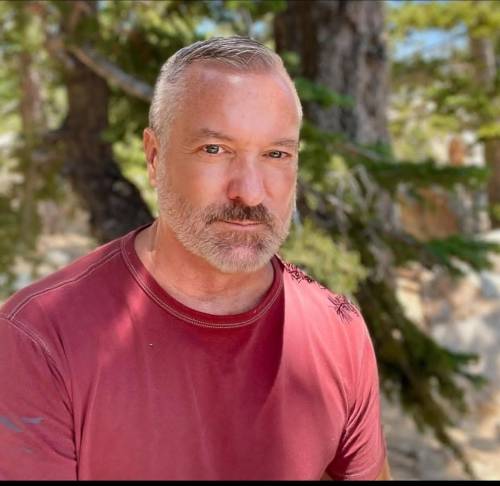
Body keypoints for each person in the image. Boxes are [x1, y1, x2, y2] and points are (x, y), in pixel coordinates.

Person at [0, 36, 391, 480]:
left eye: (276, 154)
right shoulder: (37, 339)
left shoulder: (338, 330)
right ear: (154, 158)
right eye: (215, 150)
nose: (250, 192)